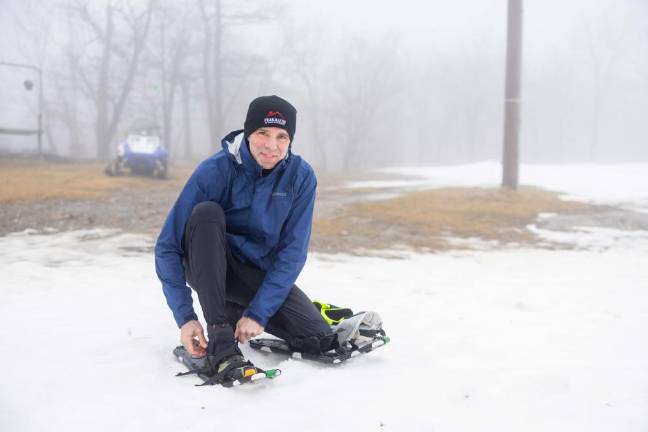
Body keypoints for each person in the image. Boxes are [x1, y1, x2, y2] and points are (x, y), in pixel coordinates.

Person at [155, 95, 337, 384]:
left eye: (281, 136)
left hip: (254, 274)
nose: (271, 145)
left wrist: (259, 312)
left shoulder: (300, 176)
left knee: (318, 337)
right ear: (248, 132)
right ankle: (220, 337)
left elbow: (293, 252)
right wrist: (185, 317)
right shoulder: (215, 170)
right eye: (262, 133)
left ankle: (234, 310)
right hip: (209, 267)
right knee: (206, 214)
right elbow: (167, 247)